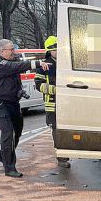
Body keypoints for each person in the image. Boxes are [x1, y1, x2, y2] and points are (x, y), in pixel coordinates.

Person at [0, 39, 46, 178]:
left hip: (13, 102)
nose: (14, 52)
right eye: (11, 49)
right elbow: (14, 67)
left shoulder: (12, 60)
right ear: (2, 51)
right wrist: (36, 63)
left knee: (17, 131)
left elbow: (17, 67)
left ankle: (3, 155)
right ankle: (9, 167)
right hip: (0, 103)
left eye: (14, 49)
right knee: (8, 132)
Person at [33, 35, 70, 169]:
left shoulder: (67, 63)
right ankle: (62, 158)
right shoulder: (44, 66)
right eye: (54, 49)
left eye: (58, 49)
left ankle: (67, 152)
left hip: (67, 102)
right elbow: (38, 85)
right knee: (57, 131)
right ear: (49, 51)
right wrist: (56, 89)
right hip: (52, 103)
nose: (57, 51)